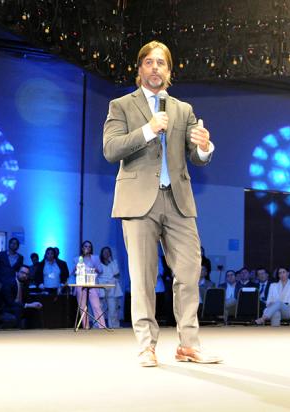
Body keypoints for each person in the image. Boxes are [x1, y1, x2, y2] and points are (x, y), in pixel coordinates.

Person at [103, 40, 220, 366]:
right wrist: (148, 130)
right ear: (140, 69)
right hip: (139, 202)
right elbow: (111, 150)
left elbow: (196, 157)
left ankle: (189, 344)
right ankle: (146, 346)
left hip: (178, 201)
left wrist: (205, 147)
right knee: (142, 276)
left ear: (169, 71)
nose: (156, 68)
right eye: (150, 62)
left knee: (189, 271)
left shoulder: (183, 109)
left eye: (162, 63)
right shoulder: (121, 106)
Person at [70, 240, 106, 330]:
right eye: (85, 246)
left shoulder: (95, 258)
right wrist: (78, 265)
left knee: (96, 305)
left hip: (92, 283)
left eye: (89, 247)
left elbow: (100, 271)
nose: (87, 248)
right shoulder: (76, 259)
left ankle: (101, 326)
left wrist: (93, 268)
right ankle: (86, 326)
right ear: (82, 248)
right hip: (81, 284)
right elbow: (73, 272)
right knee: (82, 307)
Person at [99, 246, 123, 328]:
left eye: (108, 252)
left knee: (113, 309)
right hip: (102, 287)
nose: (106, 253)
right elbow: (98, 275)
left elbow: (117, 274)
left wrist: (111, 263)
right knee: (100, 308)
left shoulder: (113, 262)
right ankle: (99, 326)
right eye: (104, 252)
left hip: (112, 288)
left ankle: (114, 326)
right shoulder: (99, 263)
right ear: (102, 254)